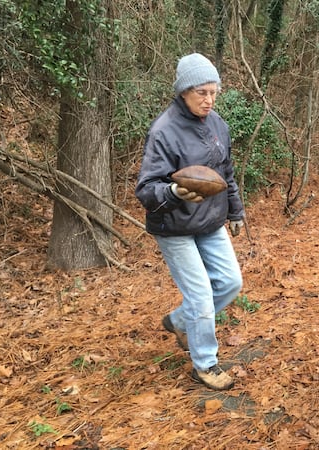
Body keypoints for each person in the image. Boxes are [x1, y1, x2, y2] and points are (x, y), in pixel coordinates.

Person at [136, 53, 244, 391]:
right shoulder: (163, 132)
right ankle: (205, 364)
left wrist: (235, 210)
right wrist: (174, 191)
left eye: (214, 92)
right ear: (184, 91)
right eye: (201, 92)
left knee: (230, 283)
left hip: (210, 221)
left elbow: (225, 173)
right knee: (199, 296)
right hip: (174, 227)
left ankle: (178, 321)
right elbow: (146, 189)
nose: (209, 100)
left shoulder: (218, 125)